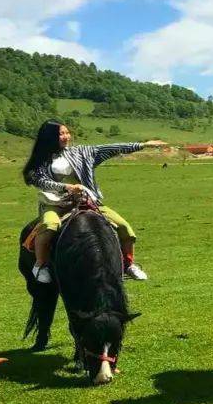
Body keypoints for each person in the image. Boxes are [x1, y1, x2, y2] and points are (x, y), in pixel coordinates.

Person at [22, 120, 166, 283]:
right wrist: (66, 187)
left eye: (67, 132)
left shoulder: (82, 152)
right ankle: (40, 265)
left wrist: (142, 145)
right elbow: (41, 181)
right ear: (49, 137)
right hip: (55, 203)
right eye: (61, 134)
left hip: (85, 200)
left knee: (125, 227)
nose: (66, 136)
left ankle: (128, 264)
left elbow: (112, 148)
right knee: (49, 225)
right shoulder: (42, 160)